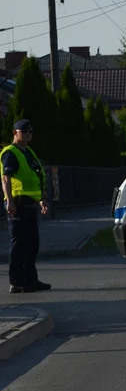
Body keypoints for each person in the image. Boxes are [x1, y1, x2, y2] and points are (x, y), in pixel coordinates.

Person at [2, 119, 51, 294]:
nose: (28, 134)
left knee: (32, 244)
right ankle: (16, 282)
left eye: (30, 131)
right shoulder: (11, 153)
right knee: (19, 244)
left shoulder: (27, 152)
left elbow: (33, 178)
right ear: (15, 133)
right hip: (18, 204)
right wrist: (9, 201)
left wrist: (41, 200)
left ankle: (31, 279)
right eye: (24, 131)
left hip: (30, 204)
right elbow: (6, 179)